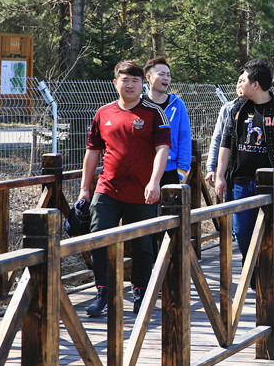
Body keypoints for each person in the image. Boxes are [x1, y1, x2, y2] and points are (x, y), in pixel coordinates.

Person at [79, 60, 171, 317]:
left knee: (142, 244)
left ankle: (140, 292)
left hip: (142, 192)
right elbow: (93, 151)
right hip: (107, 189)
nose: (130, 85)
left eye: (135, 80)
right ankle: (103, 292)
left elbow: (162, 149)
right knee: (99, 238)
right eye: (125, 80)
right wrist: (85, 188)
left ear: (143, 84)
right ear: (115, 82)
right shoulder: (103, 113)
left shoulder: (154, 113)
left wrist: (154, 182)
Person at [214, 60, 274, 262]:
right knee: (242, 232)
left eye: (243, 80)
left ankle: (264, 273)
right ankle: (252, 270)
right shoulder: (236, 108)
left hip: (273, 184)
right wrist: (220, 175)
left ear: (255, 84)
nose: (239, 84)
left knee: (270, 233)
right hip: (240, 182)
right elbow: (225, 143)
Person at [143, 57, 192, 186]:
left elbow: (185, 138)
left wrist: (181, 171)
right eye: (161, 74)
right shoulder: (139, 104)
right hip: (143, 169)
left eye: (168, 75)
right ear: (148, 77)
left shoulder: (178, 104)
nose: (166, 78)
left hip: (170, 171)